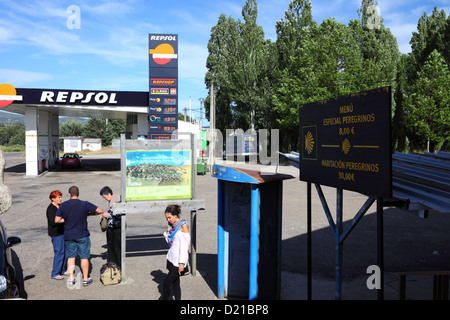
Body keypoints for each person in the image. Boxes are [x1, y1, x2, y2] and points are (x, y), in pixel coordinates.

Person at [55, 185, 104, 287]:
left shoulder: (63, 205)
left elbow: (57, 220)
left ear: (69, 194)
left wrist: (66, 220)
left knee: (71, 257)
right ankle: (85, 279)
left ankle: (71, 279)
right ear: (78, 194)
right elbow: (100, 210)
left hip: (69, 235)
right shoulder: (84, 204)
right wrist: (89, 214)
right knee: (84, 257)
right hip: (82, 234)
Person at [162, 205, 190, 300]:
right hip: (171, 258)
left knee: (166, 284)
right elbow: (172, 244)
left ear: (175, 215)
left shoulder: (183, 226)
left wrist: (182, 263)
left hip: (177, 262)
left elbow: (185, 246)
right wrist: (167, 233)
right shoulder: (173, 227)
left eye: (169, 217)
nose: (168, 220)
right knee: (176, 283)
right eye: (166, 218)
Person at [99, 186, 122, 268]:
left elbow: (120, 214)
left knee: (117, 248)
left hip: (117, 228)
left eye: (105, 197)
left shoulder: (118, 200)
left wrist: (108, 215)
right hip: (111, 228)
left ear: (108, 194)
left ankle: (118, 266)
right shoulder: (112, 201)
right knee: (111, 246)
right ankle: (113, 264)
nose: (105, 199)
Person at [46, 190, 67, 280]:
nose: (61, 199)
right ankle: (55, 273)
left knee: (65, 252)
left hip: (63, 232)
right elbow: (53, 222)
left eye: (61, 197)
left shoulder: (60, 206)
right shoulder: (51, 209)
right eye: (59, 197)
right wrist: (64, 220)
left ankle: (62, 270)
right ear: (53, 199)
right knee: (59, 252)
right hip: (56, 234)